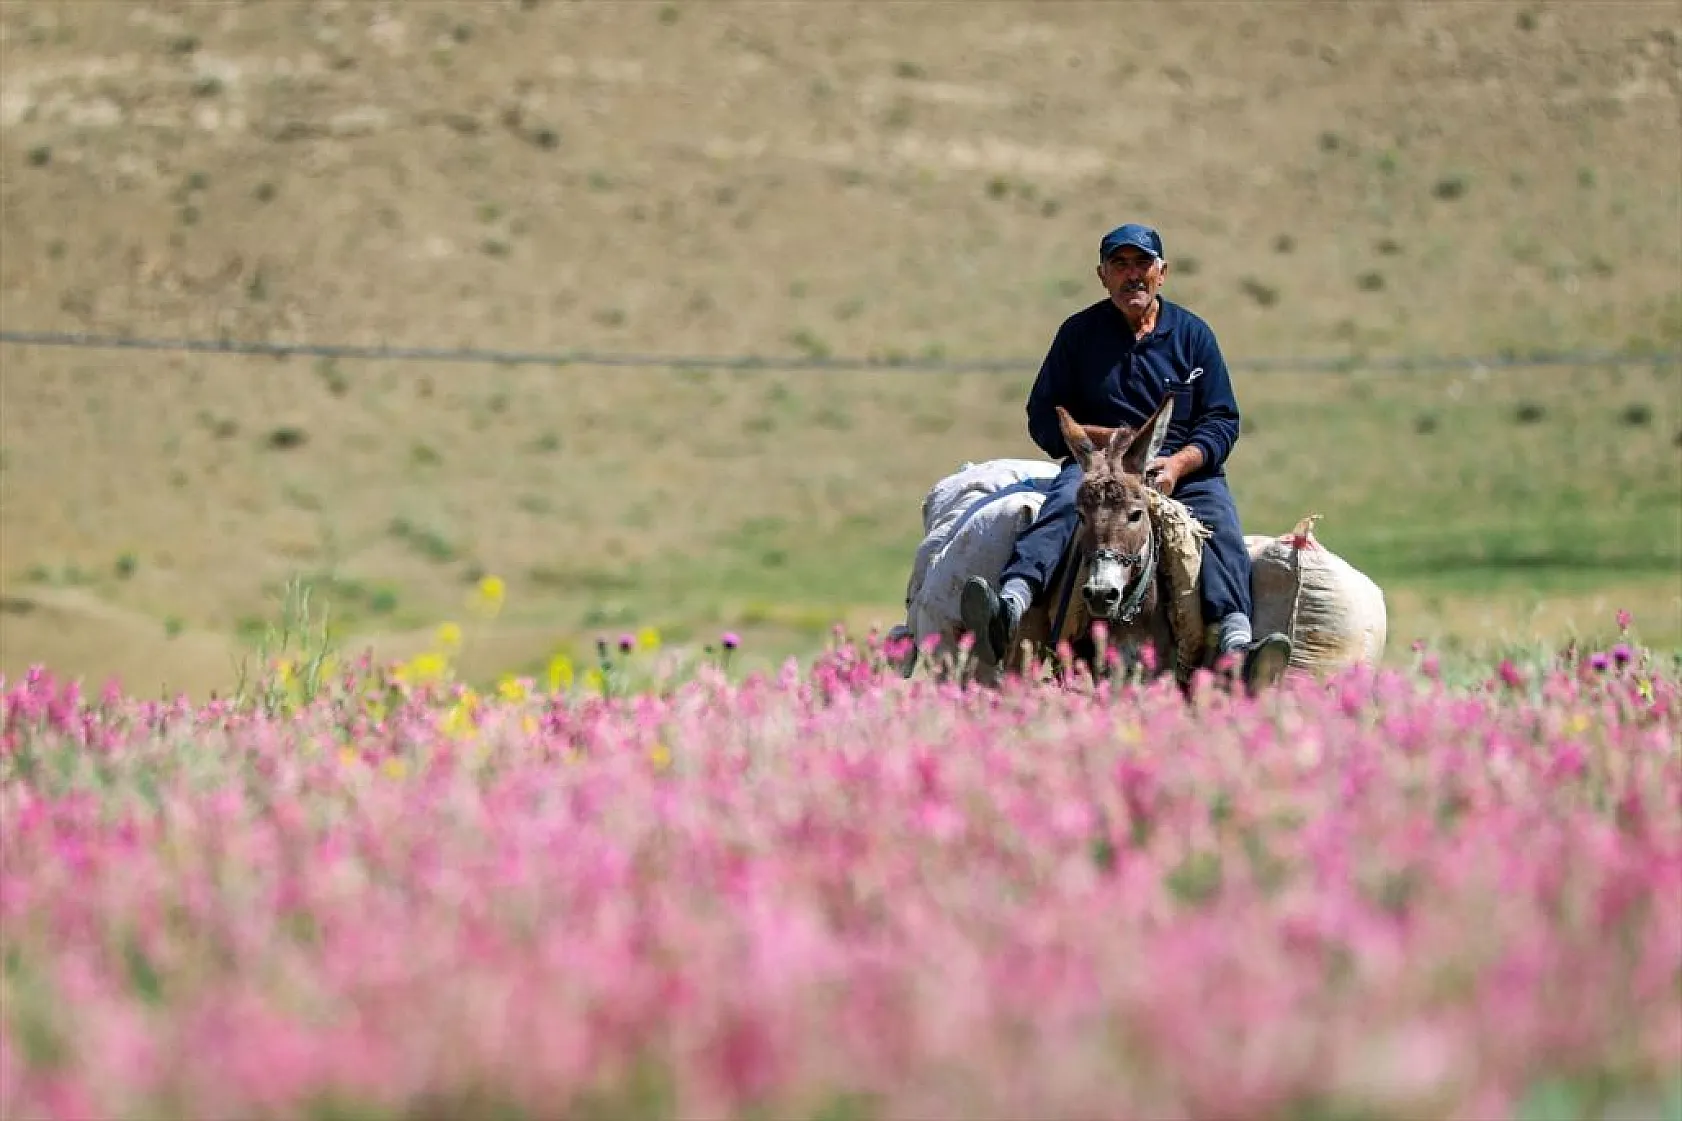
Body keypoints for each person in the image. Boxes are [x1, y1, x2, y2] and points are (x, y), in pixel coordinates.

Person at [960, 222, 1293, 690]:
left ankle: (1236, 642)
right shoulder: (1078, 335)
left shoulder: (1193, 336)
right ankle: (1009, 606)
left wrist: (1178, 464)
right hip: (1099, 466)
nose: (1132, 274)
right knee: (1064, 506)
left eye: (1142, 264)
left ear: (1162, 273)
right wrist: (1106, 443)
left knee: (1219, 526)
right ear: (1102, 275)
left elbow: (1221, 419)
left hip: (1182, 470)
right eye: (1119, 265)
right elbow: (1042, 416)